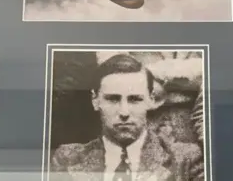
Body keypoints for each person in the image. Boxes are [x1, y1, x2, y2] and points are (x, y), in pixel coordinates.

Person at [51, 54, 205, 181]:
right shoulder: (68, 159)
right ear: (95, 100)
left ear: (151, 100)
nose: (124, 112)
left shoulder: (185, 159)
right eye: (113, 99)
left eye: (135, 99)